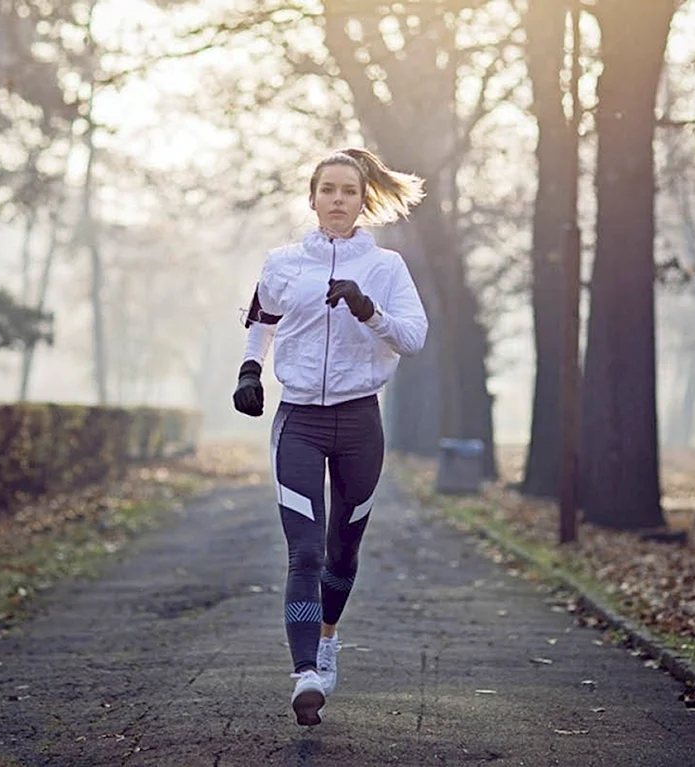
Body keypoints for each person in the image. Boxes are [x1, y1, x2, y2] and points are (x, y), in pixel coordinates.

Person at [232, 148, 429, 726]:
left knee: (343, 551)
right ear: (312, 198)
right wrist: (249, 371)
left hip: (360, 423)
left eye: (349, 190)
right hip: (299, 420)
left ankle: (327, 639)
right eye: (328, 190)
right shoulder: (283, 263)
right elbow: (261, 319)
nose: (338, 200)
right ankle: (304, 674)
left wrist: (368, 310)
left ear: (364, 199)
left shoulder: (387, 267)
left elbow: (413, 338)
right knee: (306, 550)